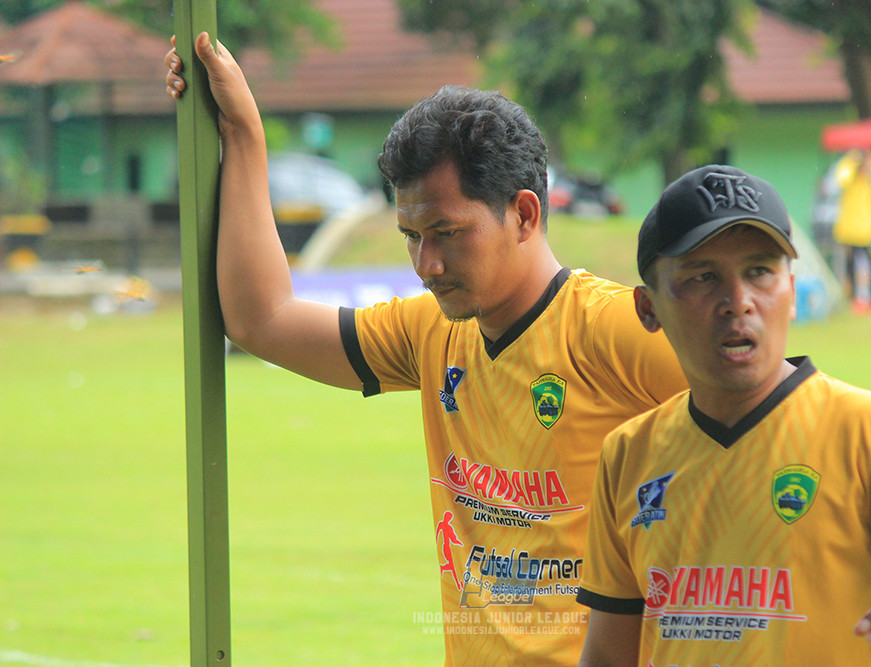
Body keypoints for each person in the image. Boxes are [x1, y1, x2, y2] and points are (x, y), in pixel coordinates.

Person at [164, 33, 687, 665]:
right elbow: (261, 320)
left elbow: (773, 421)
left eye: (447, 232)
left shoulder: (619, 329)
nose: (426, 264)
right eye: (411, 235)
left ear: (524, 215)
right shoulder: (432, 332)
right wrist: (243, 134)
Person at [575, 164, 871, 666]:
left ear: (792, 292)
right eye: (704, 277)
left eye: (759, 272)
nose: (738, 302)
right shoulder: (630, 453)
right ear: (648, 309)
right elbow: (607, 654)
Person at [832, 149, 871, 307]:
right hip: (850, 228)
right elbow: (841, 180)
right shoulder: (848, 163)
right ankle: (854, 296)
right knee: (851, 263)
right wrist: (855, 165)